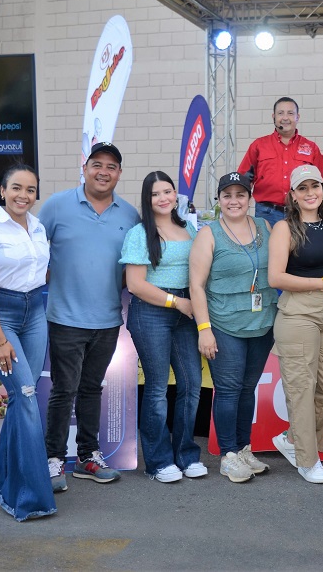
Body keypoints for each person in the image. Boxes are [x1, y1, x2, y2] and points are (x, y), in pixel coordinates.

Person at [39, 141, 140, 491]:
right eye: (97, 164)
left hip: (109, 320)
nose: (103, 172)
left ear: (119, 174)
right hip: (65, 318)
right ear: (85, 167)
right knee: (63, 389)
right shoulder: (56, 206)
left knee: (91, 389)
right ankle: (53, 459)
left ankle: (87, 456)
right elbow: (34, 250)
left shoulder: (130, 215)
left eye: (111, 167)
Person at [0, 164, 55, 521]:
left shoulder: (38, 228)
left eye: (31, 190)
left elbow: (42, 273)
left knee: (23, 397)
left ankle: (3, 480)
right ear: (3, 191)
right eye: (17, 188)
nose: (24, 195)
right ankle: (31, 497)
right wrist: (1, 340)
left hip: (34, 311)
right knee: (28, 397)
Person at [189, 171, 279, 484]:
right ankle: (228, 455)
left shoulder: (265, 227)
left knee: (246, 389)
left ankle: (243, 449)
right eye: (227, 195)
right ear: (219, 200)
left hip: (261, 323)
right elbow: (197, 286)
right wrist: (204, 328)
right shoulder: (208, 234)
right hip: (225, 325)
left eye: (240, 195)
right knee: (228, 391)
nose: (234, 201)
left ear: (250, 198)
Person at [119, 171, 205, 483]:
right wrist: (176, 303)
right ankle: (158, 461)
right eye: (156, 194)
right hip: (153, 312)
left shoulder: (189, 229)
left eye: (168, 191)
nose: (163, 198)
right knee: (157, 387)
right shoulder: (140, 233)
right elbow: (135, 285)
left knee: (191, 383)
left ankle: (186, 454)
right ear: (147, 199)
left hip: (188, 310)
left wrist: (191, 303)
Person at [267, 164, 323, 484]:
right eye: (302, 188)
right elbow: (276, 277)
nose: (310, 192)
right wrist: (321, 284)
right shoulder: (285, 229)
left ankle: (294, 441)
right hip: (298, 312)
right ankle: (307, 458)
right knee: (302, 389)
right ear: (293, 195)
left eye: (314, 186)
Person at [238, 97, 323, 225]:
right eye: (280, 113)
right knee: (268, 246)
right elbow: (244, 180)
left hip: (301, 212)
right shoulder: (259, 146)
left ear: (297, 117)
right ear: (273, 116)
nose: (285, 118)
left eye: (290, 113)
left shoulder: (311, 148)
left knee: (300, 246)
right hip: (266, 213)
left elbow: (322, 183)